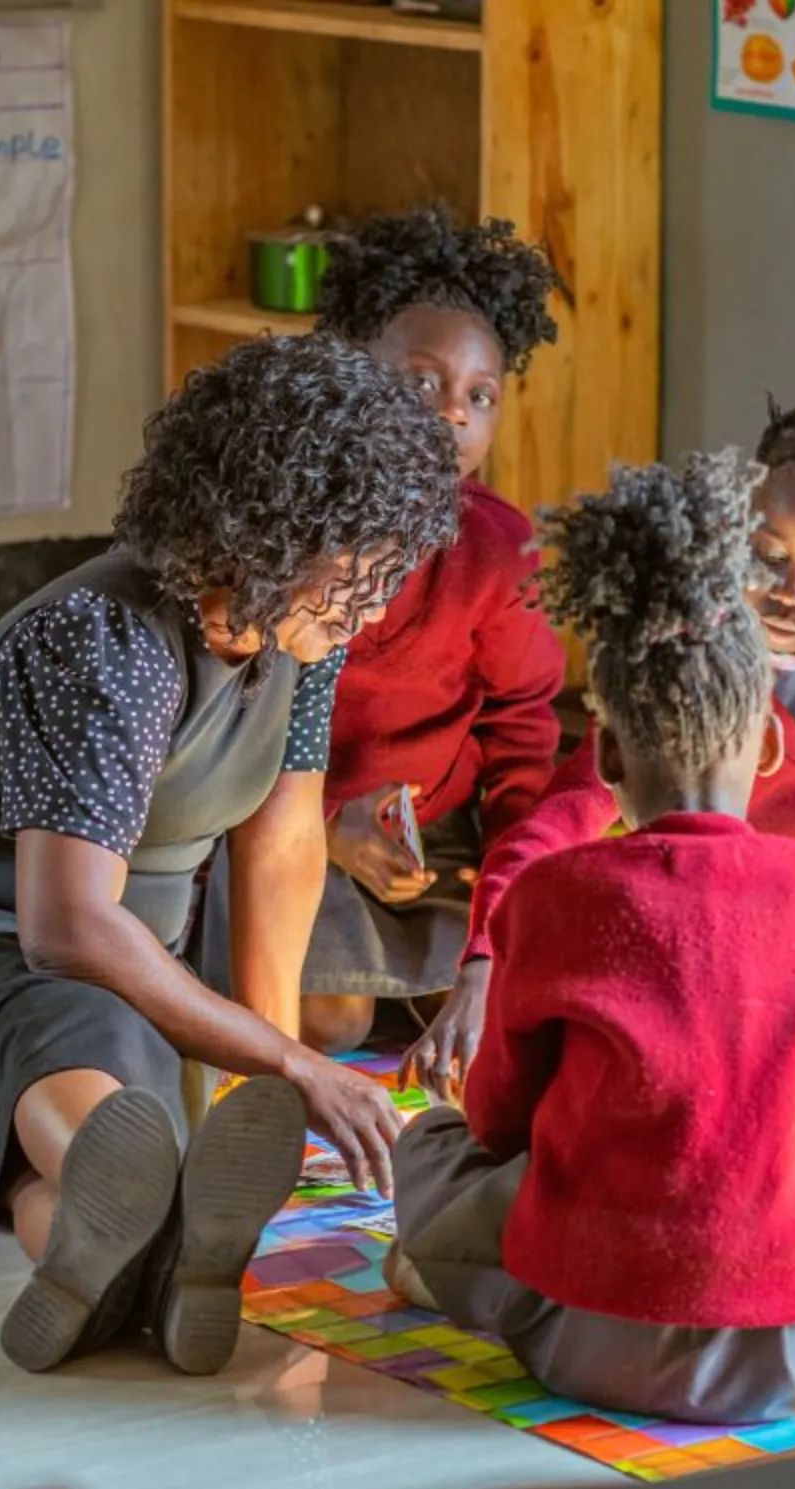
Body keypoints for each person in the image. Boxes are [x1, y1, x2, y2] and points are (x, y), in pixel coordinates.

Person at [0, 334, 460, 1376]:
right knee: (87, 1034)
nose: (376, 599)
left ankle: (116, 1233)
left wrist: (267, 1076)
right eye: (361, 565)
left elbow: (279, 844)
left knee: (121, 1089)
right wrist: (293, 1062)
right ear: (274, 532)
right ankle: (157, 1210)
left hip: (115, 971)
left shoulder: (298, 634)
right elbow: (66, 929)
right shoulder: (106, 639)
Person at [383, 449, 795, 1422]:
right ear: (765, 745)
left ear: (602, 752)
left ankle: (437, 1271)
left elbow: (501, 1117)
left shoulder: (554, 897)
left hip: (578, 1335)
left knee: (431, 1145)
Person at [407, 403, 795, 1092]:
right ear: (734, 528)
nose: (789, 593)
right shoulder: (689, 640)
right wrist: (483, 960)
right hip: (695, 911)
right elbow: (560, 818)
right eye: (769, 557)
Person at [200, 206, 567, 1054]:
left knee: (500, 1011)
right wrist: (330, 824)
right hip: (280, 817)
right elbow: (225, 724)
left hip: (428, 842)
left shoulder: (500, 552)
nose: (452, 416)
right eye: (422, 383)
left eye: (480, 395)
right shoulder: (288, 525)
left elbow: (521, 738)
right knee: (332, 1018)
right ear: (348, 370)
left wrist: (507, 897)